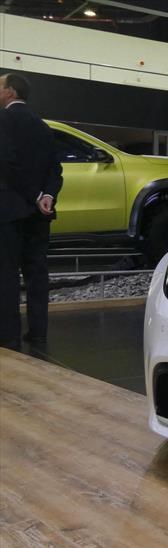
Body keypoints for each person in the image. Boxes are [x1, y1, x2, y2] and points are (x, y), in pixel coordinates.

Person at [0, 73, 63, 349]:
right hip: (40, 214)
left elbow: (8, 165)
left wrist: (33, 195)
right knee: (37, 273)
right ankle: (38, 333)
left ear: (11, 92)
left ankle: (8, 336)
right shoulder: (42, 125)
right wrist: (47, 195)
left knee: (7, 273)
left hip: (10, 211)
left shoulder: (3, 120)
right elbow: (55, 169)